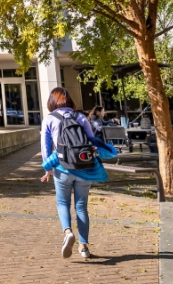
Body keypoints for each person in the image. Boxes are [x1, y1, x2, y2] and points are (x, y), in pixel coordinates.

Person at [40, 87, 116, 261]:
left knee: (62, 202)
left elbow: (45, 147)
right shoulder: (80, 117)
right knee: (81, 206)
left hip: (61, 167)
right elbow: (91, 141)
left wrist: (48, 168)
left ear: (52, 102)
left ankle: (68, 233)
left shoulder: (49, 119)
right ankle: (84, 247)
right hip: (84, 166)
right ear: (70, 101)